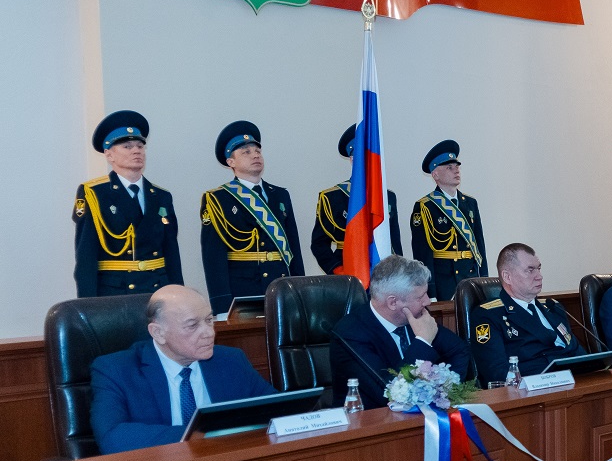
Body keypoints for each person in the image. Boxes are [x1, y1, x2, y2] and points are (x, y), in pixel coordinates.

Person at [90, 285, 276, 454]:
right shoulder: (116, 370)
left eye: (209, 320)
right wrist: (205, 433)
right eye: (192, 325)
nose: (209, 332)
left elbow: (278, 411)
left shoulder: (231, 360)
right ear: (158, 333)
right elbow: (112, 437)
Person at [329, 255, 471, 409]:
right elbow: (388, 391)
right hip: (369, 419)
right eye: (420, 297)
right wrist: (423, 341)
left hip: (420, 416)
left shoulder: (415, 317)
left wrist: (444, 393)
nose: (428, 301)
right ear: (393, 302)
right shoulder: (350, 333)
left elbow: (459, 350)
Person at [72, 110, 183, 297]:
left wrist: (178, 296)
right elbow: (86, 257)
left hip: (158, 290)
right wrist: (89, 306)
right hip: (116, 293)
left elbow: (172, 253)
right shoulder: (94, 194)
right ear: (109, 155)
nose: (136, 151)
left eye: (140, 146)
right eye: (127, 146)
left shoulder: (161, 196)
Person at [200, 121, 304, 315]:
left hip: (282, 290)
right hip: (244, 294)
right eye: (246, 152)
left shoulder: (280, 195)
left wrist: (300, 292)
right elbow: (214, 258)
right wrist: (222, 307)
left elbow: (294, 250)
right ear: (231, 162)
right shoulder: (218, 199)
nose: (255, 155)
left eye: (257, 151)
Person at [470, 243, 585, 385]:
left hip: (575, 380)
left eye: (539, 269)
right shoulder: (488, 315)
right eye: (530, 270)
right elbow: (496, 372)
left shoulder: (553, 307)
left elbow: (577, 352)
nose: (539, 276)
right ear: (507, 277)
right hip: (534, 388)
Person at [311, 123, 402, 275]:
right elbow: (319, 244)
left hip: (384, 273)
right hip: (348, 269)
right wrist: (337, 269)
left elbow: (394, 242)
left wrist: (397, 274)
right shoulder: (333, 197)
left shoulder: (388, 197)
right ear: (353, 159)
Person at [410, 139, 487, 300]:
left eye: (457, 166)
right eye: (449, 167)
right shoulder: (425, 207)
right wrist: (430, 293)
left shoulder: (470, 203)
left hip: (470, 280)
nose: (456, 170)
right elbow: (422, 255)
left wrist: (484, 283)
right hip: (443, 284)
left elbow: (479, 248)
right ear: (435, 174)